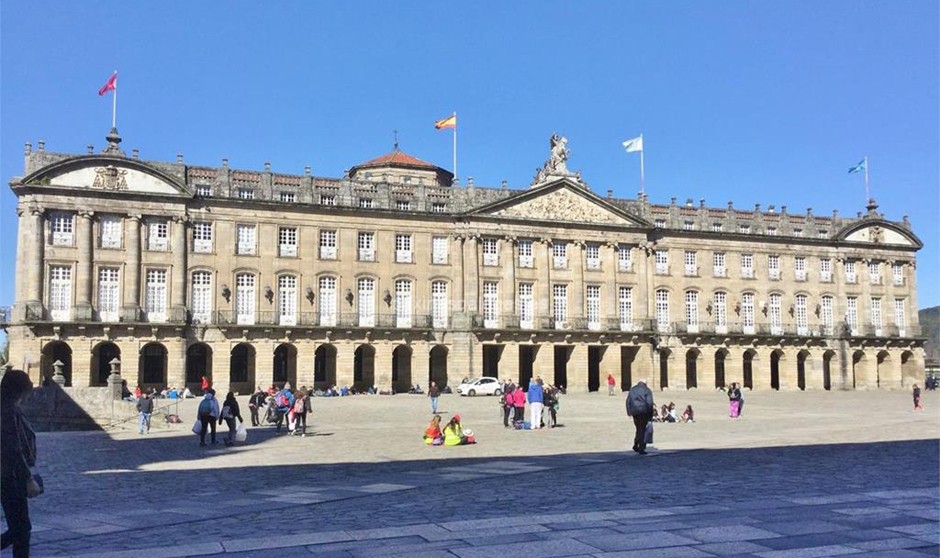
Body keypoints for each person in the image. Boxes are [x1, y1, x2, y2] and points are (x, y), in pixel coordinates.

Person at [1, 370, 42, 557]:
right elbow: (12, 447)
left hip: (9, 475)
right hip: (11, 476)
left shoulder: (8, 408)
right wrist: (28, 478)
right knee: (21, 530)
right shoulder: (8, 411)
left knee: (19, 528)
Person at [626, 380, 654, 455]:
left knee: (638, 428)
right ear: (645, 383)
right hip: (643, 411)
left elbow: (628, 401)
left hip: (635, 412)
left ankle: (636, 444)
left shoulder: (632, 389)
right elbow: (649, 403)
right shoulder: (647, 390)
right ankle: (641, 448)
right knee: (642, 429)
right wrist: (650, 414)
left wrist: (629, 412)